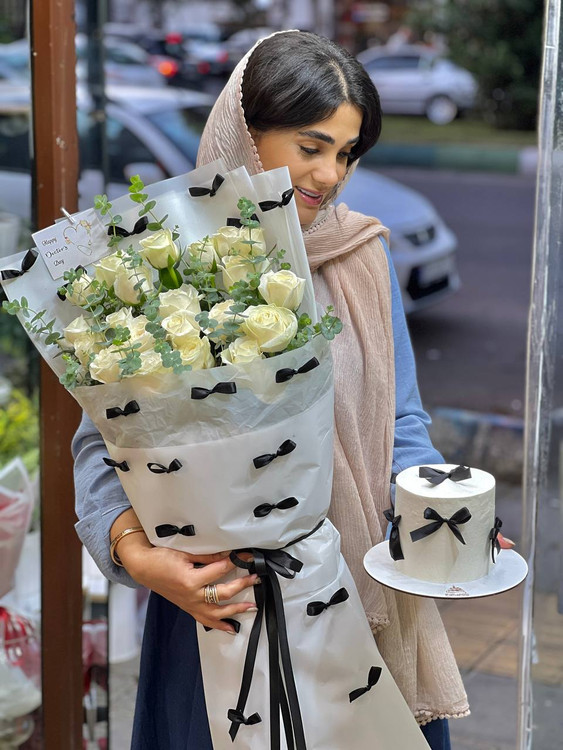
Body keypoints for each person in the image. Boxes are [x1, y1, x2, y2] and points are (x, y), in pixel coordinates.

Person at [73, 30, 468, 750]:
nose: (330, 174)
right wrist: (138, 557)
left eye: (347, 153)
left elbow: (399, 422)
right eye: (312, 146)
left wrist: (442, 515)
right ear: (244, 135)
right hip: (217, 606)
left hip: (359, 598)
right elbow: (104, 446)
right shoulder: (162, 265)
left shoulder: (361, 254)